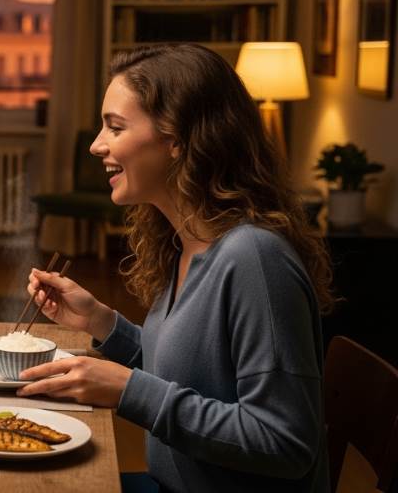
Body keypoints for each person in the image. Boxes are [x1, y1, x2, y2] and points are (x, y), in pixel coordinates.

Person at [21, 44, 332, 492]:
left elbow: (284, 443)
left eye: (115, 127)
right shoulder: (184, 241)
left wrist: (129, 391)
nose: (96, 144)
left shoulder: (255, 260)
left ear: (176, 139)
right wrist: (101, 322)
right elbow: (192, 376)